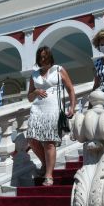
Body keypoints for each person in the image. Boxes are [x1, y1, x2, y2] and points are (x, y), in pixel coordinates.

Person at [25, 46, 76, 186]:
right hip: (37, 109)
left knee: (49, 142)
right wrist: (35, 92)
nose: (43, 59)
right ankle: (45, 164)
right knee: (31, 139)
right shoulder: (34, 75)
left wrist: (72, 106)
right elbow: (29, 97)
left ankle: (48, 175)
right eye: (41, 56)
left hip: (53, 108)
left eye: (45, 56)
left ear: (50, 57)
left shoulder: (59, 70)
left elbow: (70, 89)